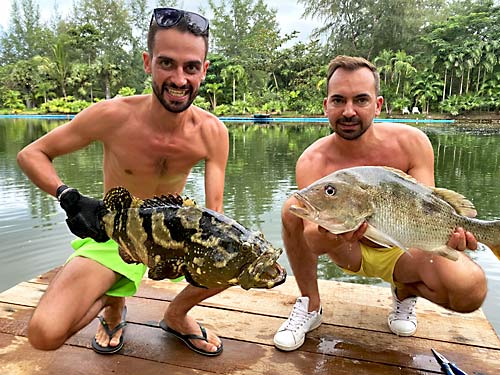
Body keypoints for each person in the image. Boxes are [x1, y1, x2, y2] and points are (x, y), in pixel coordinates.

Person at [17, 8, 228, 356]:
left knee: (242, 255)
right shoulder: (112, 115)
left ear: (203, 70)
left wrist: (212, 249)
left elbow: (215, 212)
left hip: (174, 238)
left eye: (190, 67)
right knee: (44, 334)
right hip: (115, 234)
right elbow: (32, 154)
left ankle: (177, 314)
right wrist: (69, 196)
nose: (178, 79)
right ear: (148, 63)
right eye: (166, 64)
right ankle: (113, 304)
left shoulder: (212, 132)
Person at [273, 55, 487, 351]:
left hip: (407, 245)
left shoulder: (412, 142)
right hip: (348, 250)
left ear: (378, 104)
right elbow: (314, 242)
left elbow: (426, 208)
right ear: (326, 106)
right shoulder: (312, 160)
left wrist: (453, 237)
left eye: (361, 100)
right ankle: (311, 305)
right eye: (339, 100)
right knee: (290, 208)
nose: (349, 111)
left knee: (470, 290)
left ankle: (404, 290)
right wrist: (332, 233)